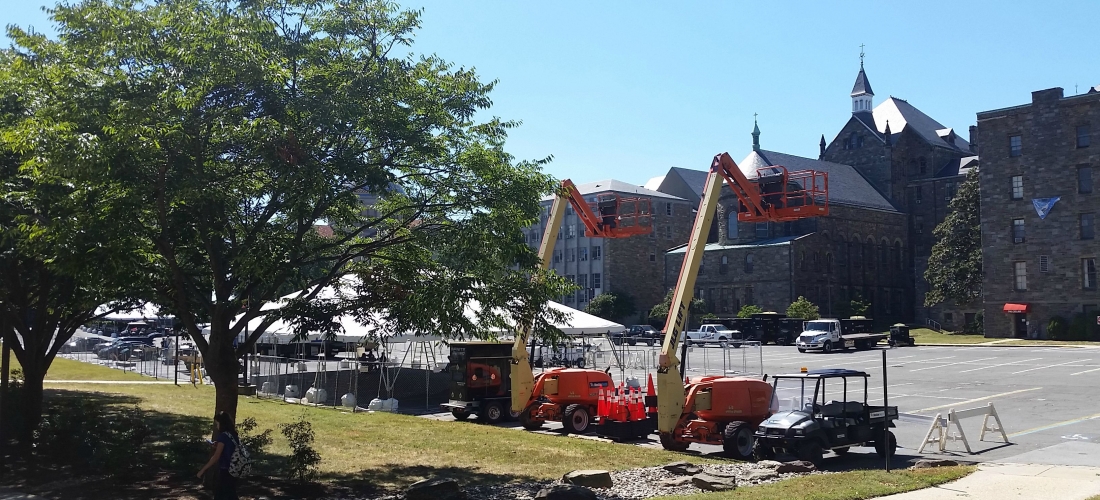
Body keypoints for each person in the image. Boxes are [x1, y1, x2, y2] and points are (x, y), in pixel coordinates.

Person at [198, 411, 240, 500]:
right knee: (231, 493)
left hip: (226, 470)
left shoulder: (223, 437)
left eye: (217, 424)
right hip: (235, 469)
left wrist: (203, 470)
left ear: (221, 424)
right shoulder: (233, 435)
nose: (217, 426)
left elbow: (216, 457)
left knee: (220, 495)